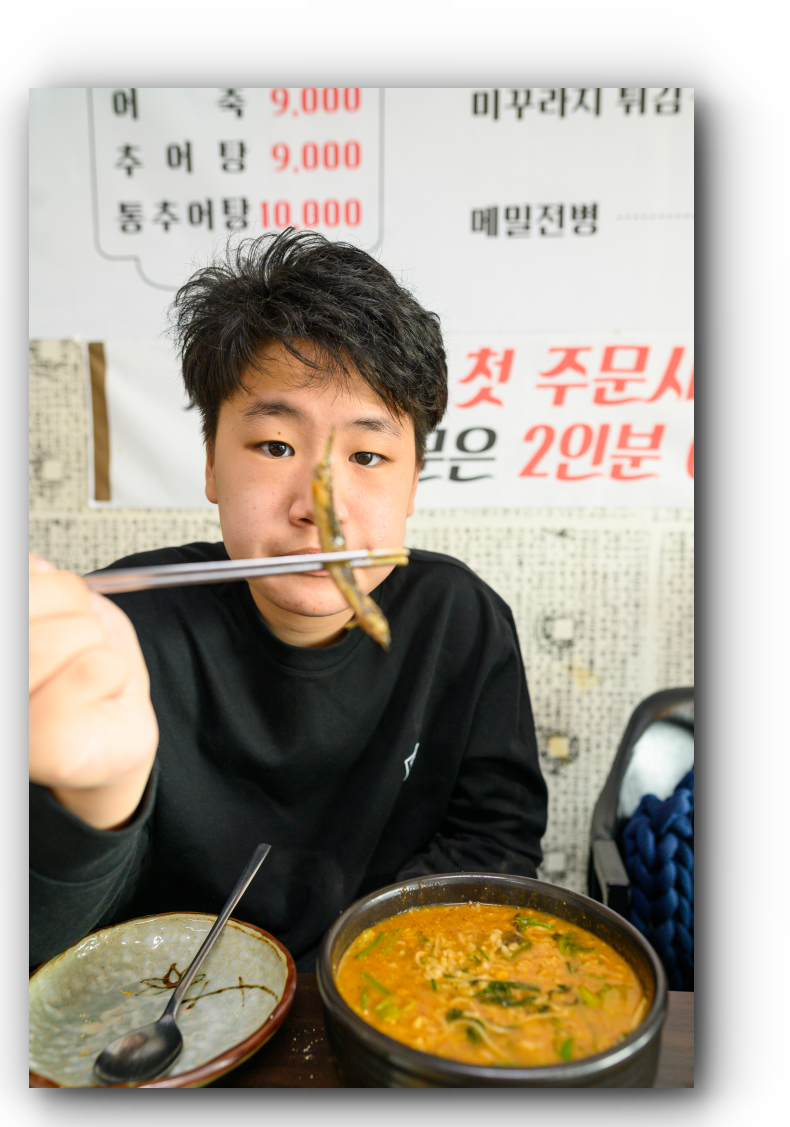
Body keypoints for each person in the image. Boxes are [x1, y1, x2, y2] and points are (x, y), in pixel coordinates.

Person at [29, 230, 548, 973]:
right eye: (276, 446)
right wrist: (95, 805)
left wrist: (360, 975)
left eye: (367, 456)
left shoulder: (459, 619)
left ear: (412, 483)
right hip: (164, 1007)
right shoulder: (114, 636)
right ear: (211, 465)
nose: (319, 511)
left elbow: (496, 843)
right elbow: (52, 941)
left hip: (378, 992)